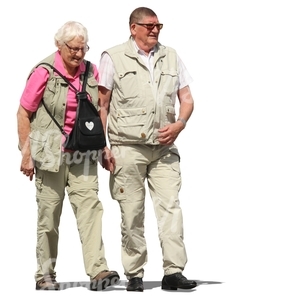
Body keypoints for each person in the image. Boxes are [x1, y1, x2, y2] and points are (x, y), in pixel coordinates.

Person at [98, 7, 197, 292]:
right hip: (126, 147)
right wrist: (103, 147)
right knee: (132, 213)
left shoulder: (172, 56)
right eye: (150, 25)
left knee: (170, 209)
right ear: (133, 27)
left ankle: (173, 271)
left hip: (164, 148)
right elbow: (102, 105)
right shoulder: (112, 57)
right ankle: (135, 273)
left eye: (159, 25)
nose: (155, 30)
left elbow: (187, 99)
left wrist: (180, 124)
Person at [16, 21, 119, 291]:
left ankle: (98, 271)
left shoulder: (91, 71)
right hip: (49, 153)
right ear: (59, 46)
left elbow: (99, 112)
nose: (78, 54)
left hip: (82, 154)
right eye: (73, 48)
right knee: (49, 216)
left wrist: (103, 146)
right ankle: (45, 274)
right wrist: (26, 153)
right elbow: (24, 114)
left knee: (90, 211)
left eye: (82, 48)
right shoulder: (43, 72)